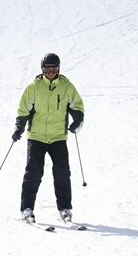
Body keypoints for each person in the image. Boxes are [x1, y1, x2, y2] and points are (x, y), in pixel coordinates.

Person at [12, 53, 84, 224]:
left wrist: (77, 121)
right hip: (36, 137)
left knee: (62, 174)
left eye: (54, 68)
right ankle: (27, 209)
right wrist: (19, 126)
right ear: (42, 69)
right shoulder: (34, 87)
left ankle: (65, 209)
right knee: (33, 174)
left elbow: (77, 106)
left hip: (58, 136)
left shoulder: (66, 86)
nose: (51, 72)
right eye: (47, 68)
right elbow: (24, 109)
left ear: (58, 68)